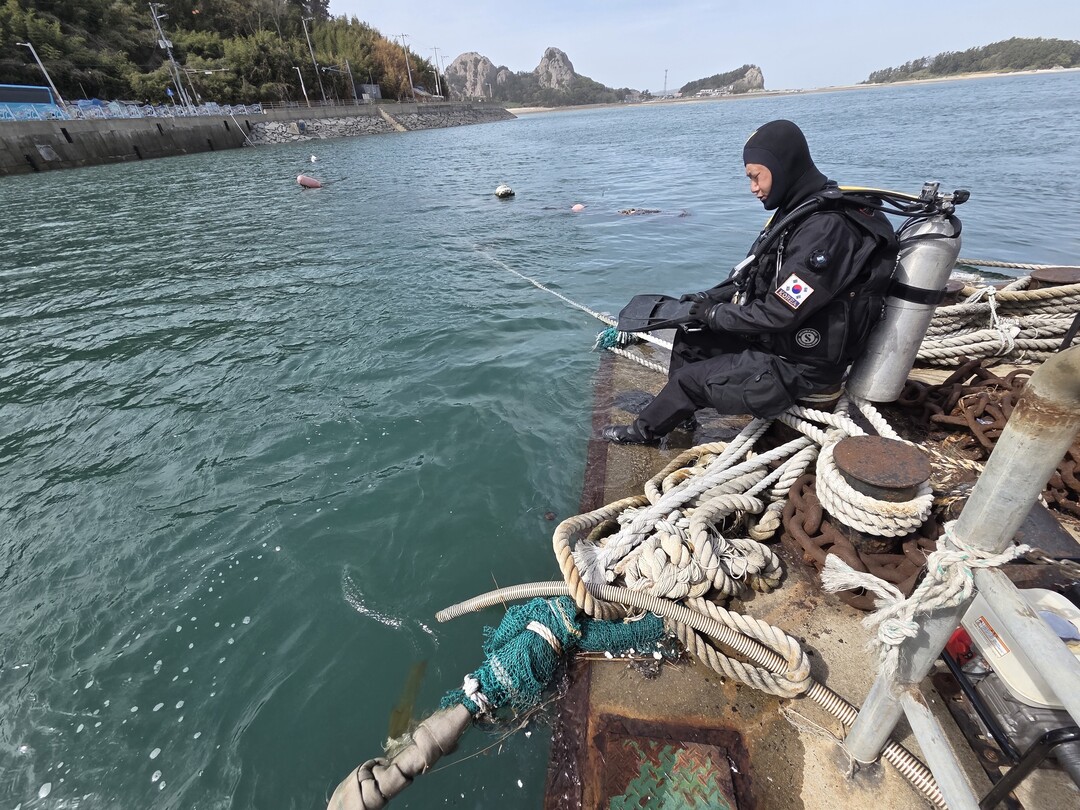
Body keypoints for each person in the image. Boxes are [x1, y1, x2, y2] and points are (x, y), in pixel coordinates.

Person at [602, 119, 899, 444]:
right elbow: (750, 274)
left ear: (783, 167)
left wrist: (716, 314)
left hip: (802, 366)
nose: (753, 188)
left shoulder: (826, 232)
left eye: (756, 177)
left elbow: (782, 312)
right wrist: (705, 300)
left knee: (690, 380)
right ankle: (679, 415)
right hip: (780, 341)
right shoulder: (798, 212)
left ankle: (643, 431)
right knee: (692, 336)